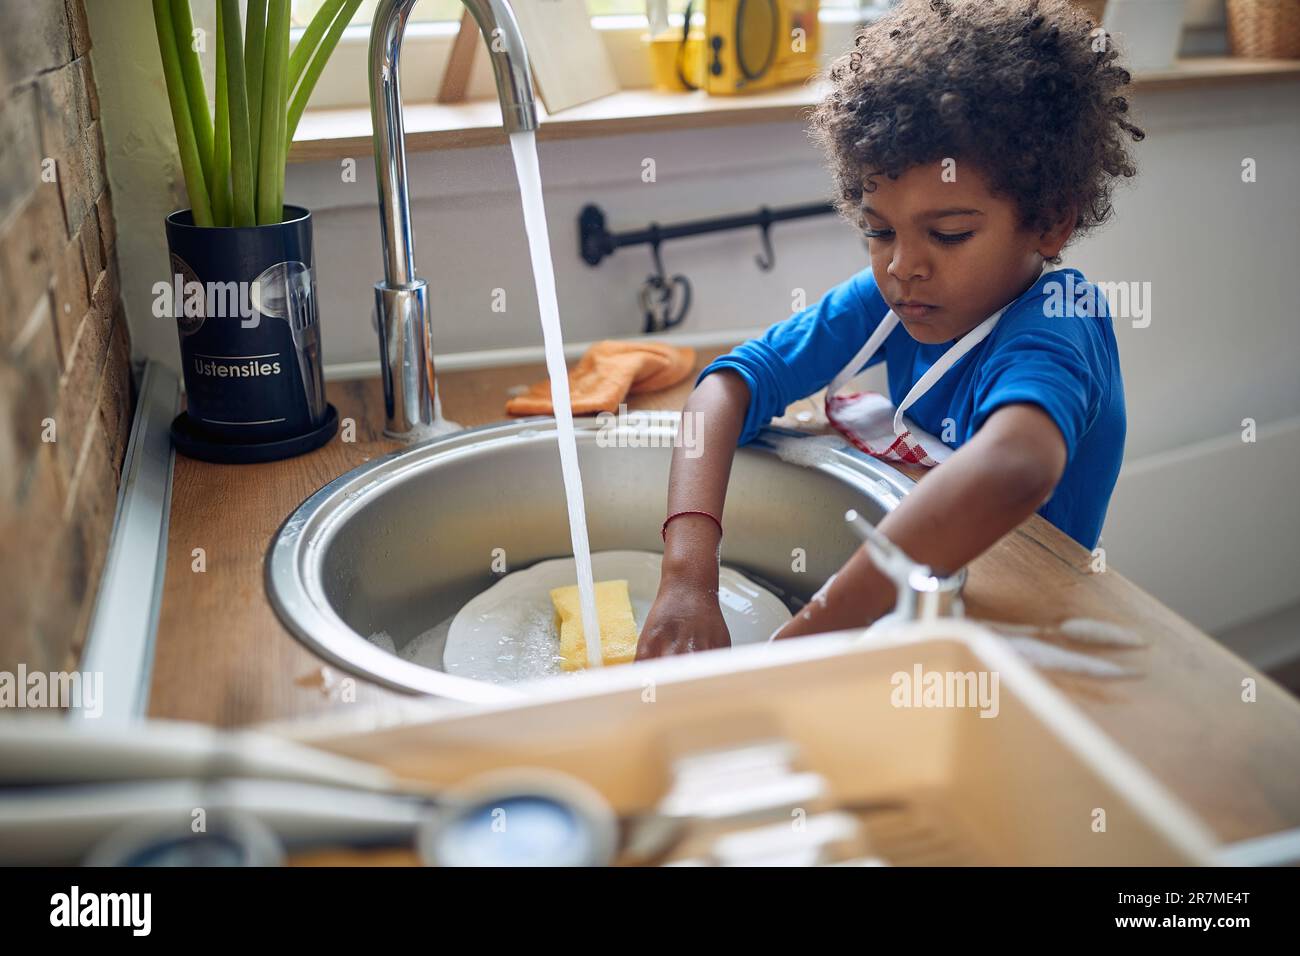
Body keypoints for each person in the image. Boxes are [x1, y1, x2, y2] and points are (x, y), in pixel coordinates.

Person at [637, 0, 1143, 657]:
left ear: (1050, 222)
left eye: (949, 233)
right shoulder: (889, 300)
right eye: (879, 231)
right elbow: (726, 388)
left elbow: (1016, 465)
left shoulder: (1058, 320)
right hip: (918, 604)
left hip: (1022, 633)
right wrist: (687, 576)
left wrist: (817, 626)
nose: (903, 265)